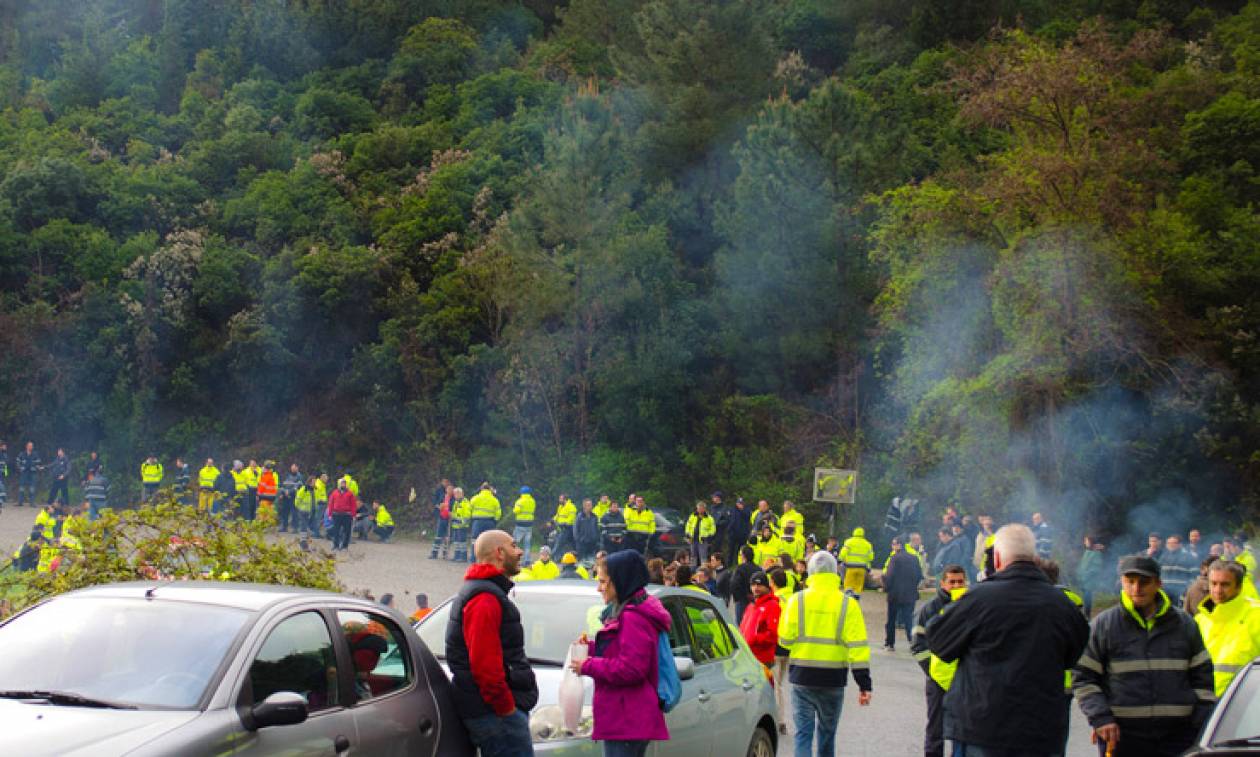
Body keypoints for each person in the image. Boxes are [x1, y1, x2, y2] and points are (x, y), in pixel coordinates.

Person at [927, 524, 1089, 755]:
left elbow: (938, 642)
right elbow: (1074, 655)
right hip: (1042, 730)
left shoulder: (976, 599)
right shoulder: (1064, 605)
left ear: (999, 558)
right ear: (1034, 558)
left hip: (981, 729)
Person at [1073, 555, 1215, 757]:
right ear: (1122, 583)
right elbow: (1084, 677)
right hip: (1122, 736)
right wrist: (1101, 718)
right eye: (1130, 582)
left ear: (1158, 583)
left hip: (1178, 737)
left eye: (1144, 582)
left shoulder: (1184, 624)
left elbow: (1203, 677)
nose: (1136, 588)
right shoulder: (1104, 625)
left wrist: (1198, 722)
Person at [570, 549, 671, 757]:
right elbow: (621, 649)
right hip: (625, 717)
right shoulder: (628, 610)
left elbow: (632, 668)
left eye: (604, 581)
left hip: (627, 719)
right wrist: (590, 647)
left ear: (621, 581)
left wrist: (588, 665)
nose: (599, 588)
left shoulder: (633, 617)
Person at [446, 529, 537, 757]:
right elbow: (485, 667)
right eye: (514, 546)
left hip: (495, 712)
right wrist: (506, 708)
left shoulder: (488, 593)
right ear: (499, 552)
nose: (519, 551)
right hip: (495, 714)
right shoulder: (485, 599)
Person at [778, 550, 872, 757]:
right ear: (835, 572)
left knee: (803, 735)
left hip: (802, 678)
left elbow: (784, 640)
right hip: (833, 680)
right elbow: (858, 648)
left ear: (810, 572)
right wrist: (864, 684)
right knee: (827, 735)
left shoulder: (797, 600)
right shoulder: (848, 604)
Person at [911, 565, 968, 757]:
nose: (956, 585)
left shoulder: (971, 606)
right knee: (935, 732)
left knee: (963, 733)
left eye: (960, 581)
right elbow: (918, 645)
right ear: (943, 583)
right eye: (952, 581)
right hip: (937, 681)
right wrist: (932, 671)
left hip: (965, 681)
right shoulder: (930, 608)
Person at [1195, 560, 1260, 696]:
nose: (1218, 590)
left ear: (1239, 587)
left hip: (1244, 704)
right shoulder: (1200, 620)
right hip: (1205, 704)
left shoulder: (1256, 615)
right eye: (1214, 583)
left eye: (1225, 585)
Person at [882, 537, 922, 652]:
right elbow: (919, 575)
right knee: (909, 620)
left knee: (891, 620)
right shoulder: (914, 558)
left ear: (899, 545)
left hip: (895, 594)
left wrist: (886, 587)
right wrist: (912, 586)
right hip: (910, 594)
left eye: (893, 544)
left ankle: (890, 644)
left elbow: (889, 576)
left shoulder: (895, 558)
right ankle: (913, 643)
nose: (892, 547)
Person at [739, 571, 781, 674]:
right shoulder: (751, 606)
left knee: (763, 689)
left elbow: (773, 634)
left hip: (763, 658)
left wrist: (754, 639)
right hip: (749, 655)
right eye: (753, 584)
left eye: (759, 584)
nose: (756, 588)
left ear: (767, 586)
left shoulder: (772, 605)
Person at [1160, 534, 1197, 606]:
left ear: (1180, 545)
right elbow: (1159, 573)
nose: (1171, 545)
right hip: (1165, 591)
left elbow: (1194, 576)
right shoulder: (1163, 557)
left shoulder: (1189, 557)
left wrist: (1187, 590)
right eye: (1168, 543)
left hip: (1180, 592)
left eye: (1174, 543)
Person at [838, 527, 874, 597]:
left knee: (849, 583)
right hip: (862, 569)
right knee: (858, 585)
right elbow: (871, 558)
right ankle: (856, 596)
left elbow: (843, 552)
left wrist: (840, 559)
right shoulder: (868, 544)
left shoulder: (849, 542)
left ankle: (848, 596)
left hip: (851, 568)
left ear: (854, 533)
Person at [1077, 535, 1106, 617]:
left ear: (1090, 542)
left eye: (1086, 541)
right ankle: (1086, 615)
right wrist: (1079, 574)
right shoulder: (1087, 552)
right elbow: (1082, 565)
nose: (1084, 543)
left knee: (1087, 599)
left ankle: (1087, 616)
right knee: (1085, 599)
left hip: (1089, 581)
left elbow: (1096, 568)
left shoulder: (1096, 553)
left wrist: (1086, 575)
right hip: (1083, 580)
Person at [468, 483, 502, 553]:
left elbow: (469, 509)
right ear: (490, 489)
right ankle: (487, 558)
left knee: (475, 540)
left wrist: (470, 519)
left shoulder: (475, 498)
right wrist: (495, 520)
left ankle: (474, 557)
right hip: (490, 522)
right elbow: (498, 512)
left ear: (481, 489)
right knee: (489, 541)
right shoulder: (494, 499)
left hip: (477, 521)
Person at [730, 544, 759, 622]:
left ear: (743, 556)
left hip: (742, 600)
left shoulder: (740, 568)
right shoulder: (758, 569)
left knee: (740, 624)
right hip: (755, 599)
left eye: (740, 555)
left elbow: (734, 584)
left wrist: (738, 598)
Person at [327, 477, 357, 552]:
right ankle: (336, 546)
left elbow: (353, 505)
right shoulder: (334, 493)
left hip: (347, 515)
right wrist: (330, 514)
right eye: (342, 483)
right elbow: (331, 504)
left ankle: (345, 546)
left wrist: (353, 515)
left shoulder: (350, 493)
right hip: (336, 514)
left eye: (344, 483)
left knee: (347, 531)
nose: (343, 484)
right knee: (336, 531)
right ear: (339, 484)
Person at [685, 500, 716, 565]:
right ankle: (692, 570)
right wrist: (687, 534)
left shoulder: (709, 518)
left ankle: (704, 570)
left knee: (703, 557)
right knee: (693, 556)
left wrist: (707, 537)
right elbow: (688, 525)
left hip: (703, 540)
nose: (700, 510)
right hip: (693, 539)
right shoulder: (692, 516)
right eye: (698, 508)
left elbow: (713, 530)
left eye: (701, 508)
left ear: (704, 509)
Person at [430, 479, 454, 560]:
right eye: (448, 489)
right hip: (442, 517)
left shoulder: (454, 499)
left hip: (449, 519)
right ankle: (434, 553)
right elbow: (436, 504)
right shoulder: (442, 496)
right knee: (438, 536)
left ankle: (445, 554)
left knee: (447, 537)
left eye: (451, 489)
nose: (450, 490)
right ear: (446, 490)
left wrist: (452, 513)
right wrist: (439, 507)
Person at [512, 486, 536, 565]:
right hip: (529, 523)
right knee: (527, 543)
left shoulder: (519, 501)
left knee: (515, 542)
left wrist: (514, 509)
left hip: (520, 523)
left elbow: (516, 511)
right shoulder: (532, 501)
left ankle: (515, 559)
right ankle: (527, 560)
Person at [575, 498, 601, 563]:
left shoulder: (594, 517)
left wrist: (596, 539)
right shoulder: (579, 516)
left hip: (592, 543)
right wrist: (579, 540)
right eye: (588, 505)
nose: (590, 506)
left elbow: (597, 529)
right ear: (584, 506)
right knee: (582, 563)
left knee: (592, 563)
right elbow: (575, 530)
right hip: (582, 544)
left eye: (591, 505)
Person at [279, 463, 302, 533]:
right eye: (292, 468)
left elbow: (298, 487)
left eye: (294, 468)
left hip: (293, 497)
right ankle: (284, 527)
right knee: (284, 512)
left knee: (294, 513)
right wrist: (282, 493)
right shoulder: (288, 476)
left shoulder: (299, 477)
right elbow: (283, 485)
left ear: (297, 468)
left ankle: (295, 528)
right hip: (285, 497)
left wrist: (289, 492)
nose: (292, 469)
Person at [16, 441, 40, 507]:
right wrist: (20, 468)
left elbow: (38, 462)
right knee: (21, 488)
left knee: (32, 488)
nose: (31, 447)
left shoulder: (35, 454)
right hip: (24, 473)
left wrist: (37, 467)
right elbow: (17, 461)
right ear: (26, 446)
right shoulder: (22, 454)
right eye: (29, 446)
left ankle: (32, 503)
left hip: (32, 473)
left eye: (32, 446)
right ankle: (20, 502)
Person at [450, 487, 471, 562]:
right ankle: (456, 556)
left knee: (462, 542)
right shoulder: (456, 502)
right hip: (456, 525)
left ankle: (463, 557)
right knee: (456, 542)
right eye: (454, 494)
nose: (455, 496)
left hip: (462, 526)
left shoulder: (465, 503)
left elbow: (467, 515)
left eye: (456, 494)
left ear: (461, 494)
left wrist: (461, 522)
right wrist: (452, 516)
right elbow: (454, 513)